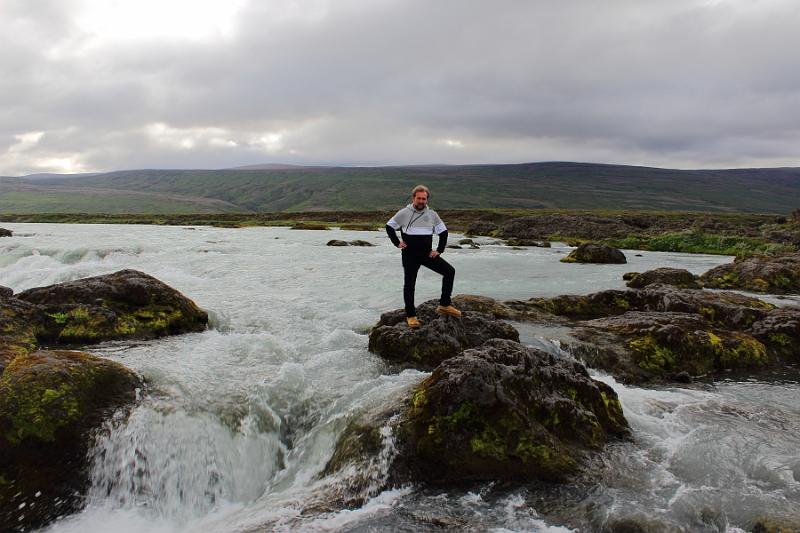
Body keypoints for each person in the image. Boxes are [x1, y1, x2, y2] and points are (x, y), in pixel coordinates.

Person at [385, 185, 462, 328]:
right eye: (419, 198)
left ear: (427, 199)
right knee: (410, 285)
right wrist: (397, 242)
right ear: (413, 198)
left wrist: (439, 250)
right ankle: (411, 316)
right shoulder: (403, 213)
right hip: (409, 256)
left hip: (427, 254)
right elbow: (389, 226)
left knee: (449, 271)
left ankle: (444, 304)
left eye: (424, 199)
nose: (421, 201)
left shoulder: (432, 214)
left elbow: (443, 232)